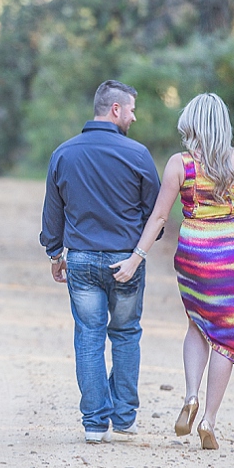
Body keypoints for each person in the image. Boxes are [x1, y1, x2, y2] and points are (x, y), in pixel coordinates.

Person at [110, 92, 234, 450]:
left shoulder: (180, 164)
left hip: (195, 254)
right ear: (223, 125)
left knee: (198, 322)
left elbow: (160, 216)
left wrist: (136, 257)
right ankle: (209, 418)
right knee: (225, 337)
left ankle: (190, 395)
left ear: (191, 123)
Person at [40, 80, 162, 444]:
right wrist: (140, 252)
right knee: (125, 334)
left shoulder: (64, 153)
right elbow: (154, 212)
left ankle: (95, 423)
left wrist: (54, 252)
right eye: (131, 110)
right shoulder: (138, 155)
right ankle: (123, 417)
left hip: (80, 261)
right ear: (115, 110)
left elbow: (53, 210)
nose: (134, 117)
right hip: (126, 261)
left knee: (88, 337)